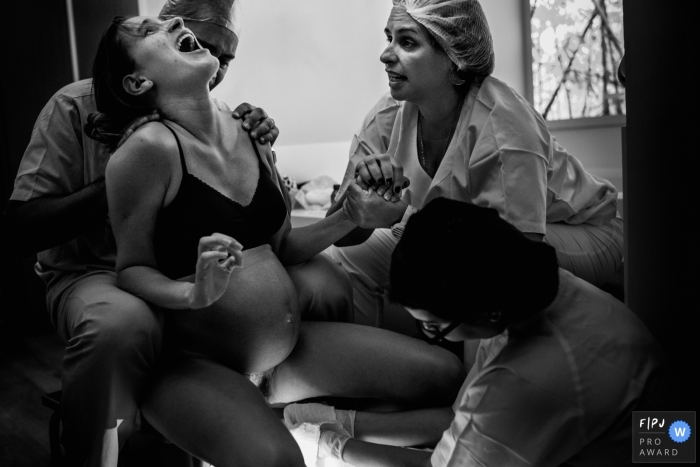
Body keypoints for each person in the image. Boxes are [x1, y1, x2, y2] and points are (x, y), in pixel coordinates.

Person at [94, 15, 466, 467]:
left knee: (446, 375)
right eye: (148, 31)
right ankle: (280, 436)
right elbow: (130, 270)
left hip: (284, 358)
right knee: (278, 462)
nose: (172, 19)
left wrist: (352, 216)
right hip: (198, 363)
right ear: (137, 81)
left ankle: (310, 425)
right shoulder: (146, 151)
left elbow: (282, 245)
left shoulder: (249, 131)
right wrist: (191, 292)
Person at [3, 1, 346, 465]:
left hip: (182, 265)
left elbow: (258, 229)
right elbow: (22, 229)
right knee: (123, 322)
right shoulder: (74, 105)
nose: (218, 65)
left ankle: (279, 406)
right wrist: (136, 178)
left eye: (227, 58)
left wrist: (236, 146)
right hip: (95, 270)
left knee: (320, 281)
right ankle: (92, 447)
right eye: (206, 44)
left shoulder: (218, 111)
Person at [287, 197, 663, 467]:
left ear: (484, 312)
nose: (427, 332)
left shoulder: (521, 385)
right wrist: (344, 423)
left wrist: (334, 449)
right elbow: (459, 418)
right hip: (662, 436)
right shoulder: (538, 288)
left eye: (433, 327)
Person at [327, 0, 624, 327]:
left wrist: (400, 216)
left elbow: (511, 263)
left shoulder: (503, 125)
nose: (385, 55)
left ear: (456, 64)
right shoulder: (387, 117)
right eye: (389, 38)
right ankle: (380, 363)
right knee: (344, 262)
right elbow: (338, 236)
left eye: (407, 42)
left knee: (482, 266)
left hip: (581, 233)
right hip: (470, 238)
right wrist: (357, 202)